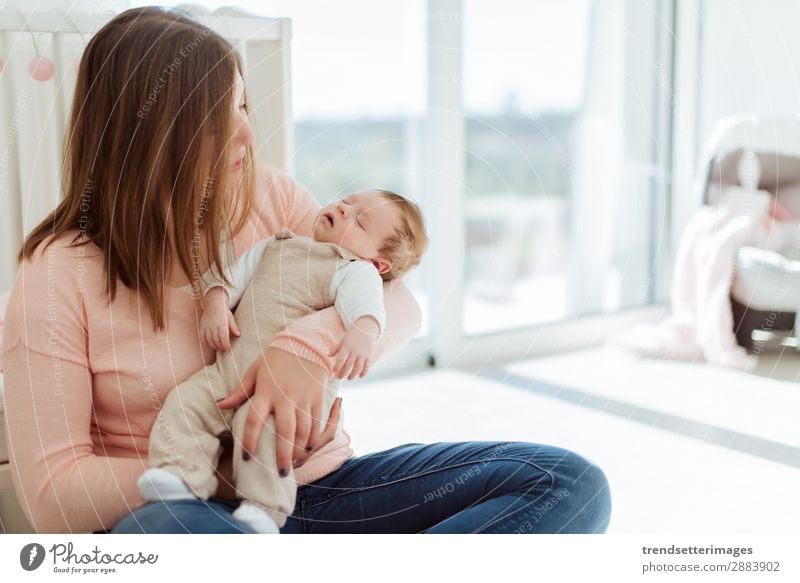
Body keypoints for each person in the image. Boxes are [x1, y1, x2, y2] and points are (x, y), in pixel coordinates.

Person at [0, 7, 611, 534]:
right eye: (219, 115)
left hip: (317, 487)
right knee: (180, 539)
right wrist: (224, 463)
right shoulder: (57, 276)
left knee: (566, 485)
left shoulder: (267, 197)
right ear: (158, 137)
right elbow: (54, 497)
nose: (246, 130)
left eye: (242, 102)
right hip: (181, 508)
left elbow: (395, 300)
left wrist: (302, 353)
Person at [137, 190, 428, 533]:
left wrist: (364, 333)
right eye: (347, 201)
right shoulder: (276, 245)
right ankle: (180, 476)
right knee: (186, 403)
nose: (343, 209)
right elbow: (229, 278)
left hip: (284, 396)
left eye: (360, 220)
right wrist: (216, 305)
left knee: (264, 431)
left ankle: (265, 508)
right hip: (227, 373)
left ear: (378, 264)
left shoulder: (350, 269)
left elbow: (366, 308)